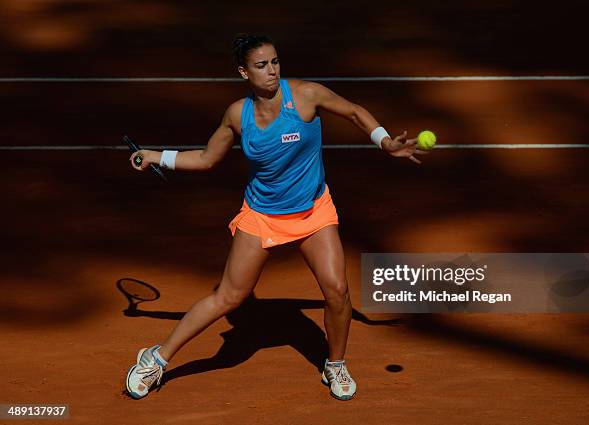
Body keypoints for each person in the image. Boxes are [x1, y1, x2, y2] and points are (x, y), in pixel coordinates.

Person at [125, 34, 427, 401]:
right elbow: (207, 158)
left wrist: (384, 141)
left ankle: (335, 364)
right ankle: (156, 357)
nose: (272, 71)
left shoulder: (305, 95)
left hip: (313, 211)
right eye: (261, 65)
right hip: (262, 216)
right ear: (243, 72)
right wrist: (157, 155)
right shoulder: (238, 115)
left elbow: (353, 111)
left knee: (337, 291)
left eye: (275, 62)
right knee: (229, 298)